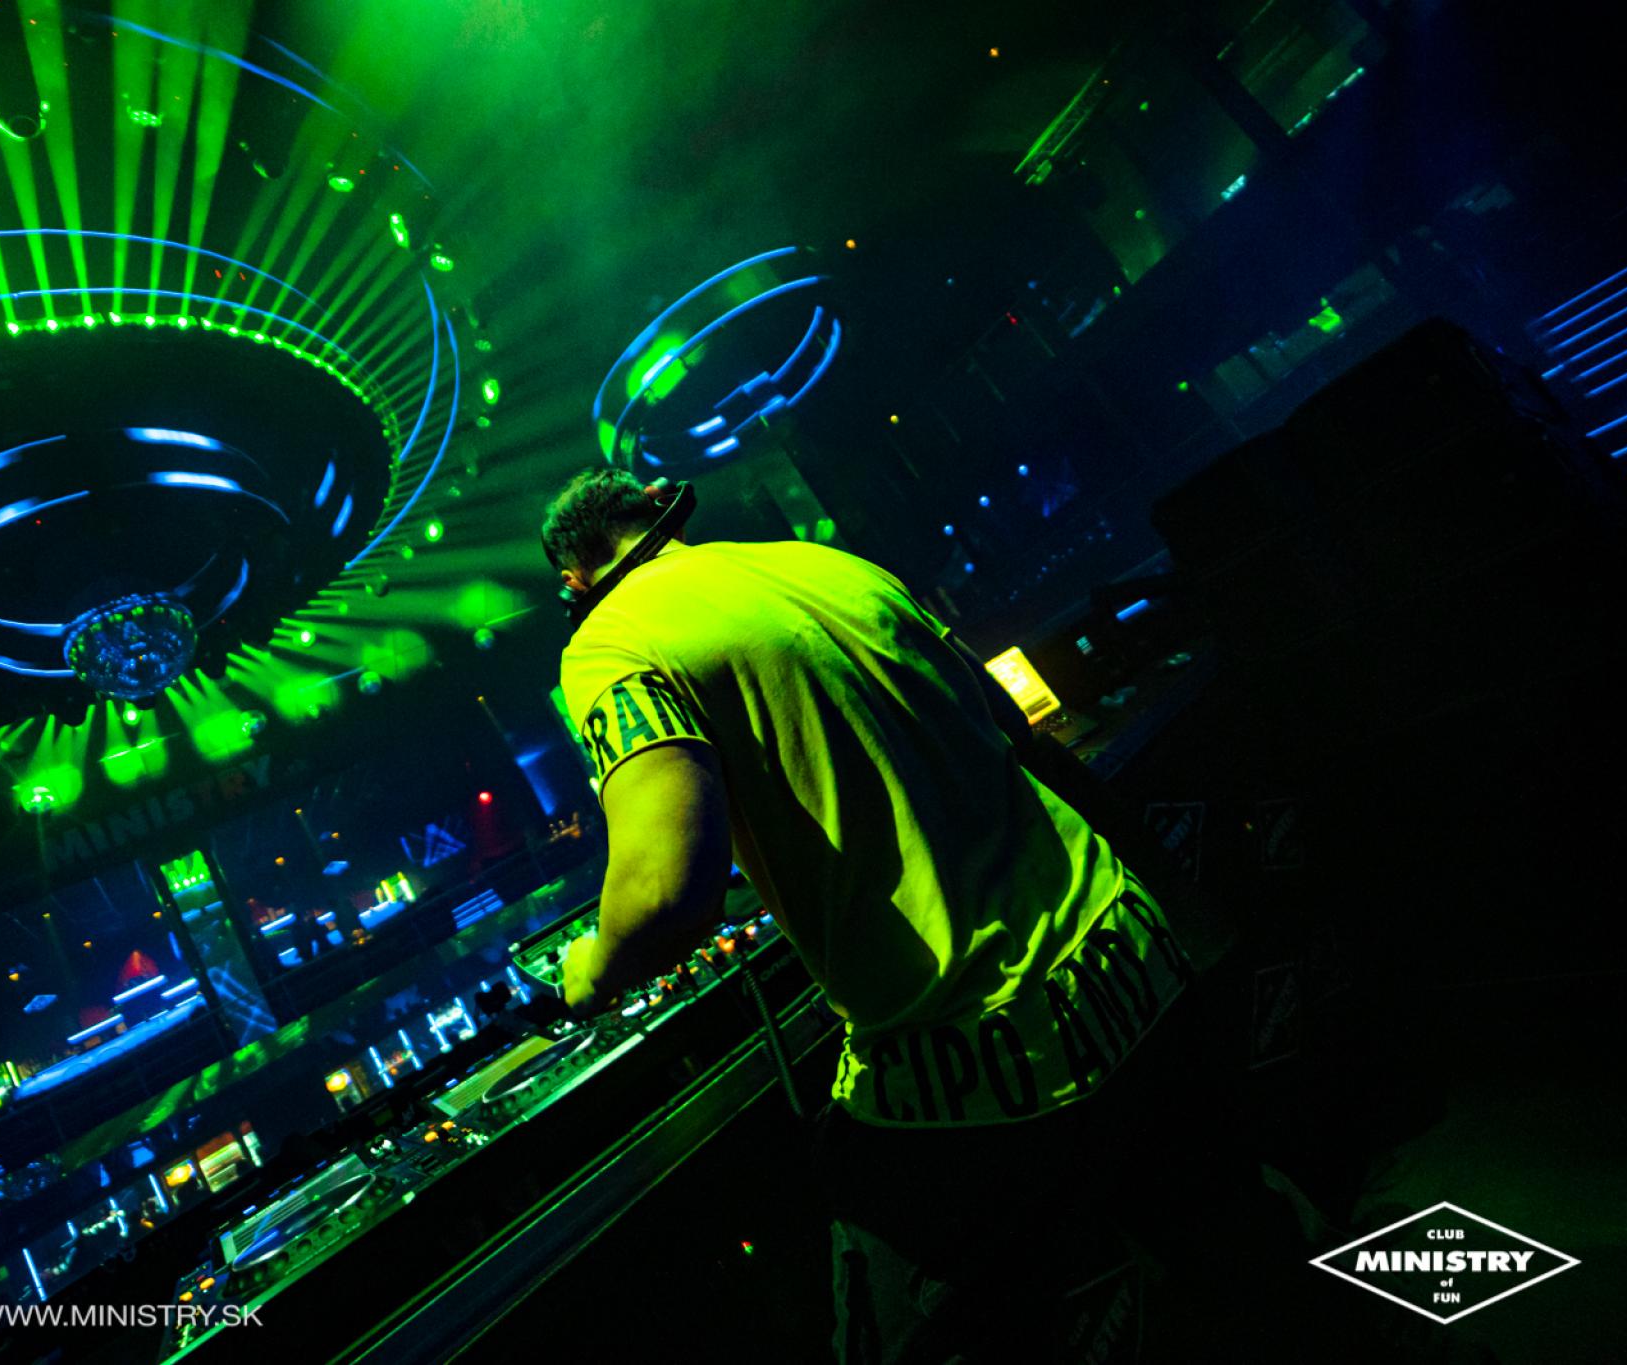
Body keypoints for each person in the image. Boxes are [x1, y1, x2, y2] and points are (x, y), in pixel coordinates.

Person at [543, 467, 1287, 1363]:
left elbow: (665, 890)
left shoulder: (608, 644)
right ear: (661, 512)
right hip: (1131, 961)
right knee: (1249, 1271)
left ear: (573, 582)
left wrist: (592, 965)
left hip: (973, 1058)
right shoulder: (821, 563)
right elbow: (1006, 721)